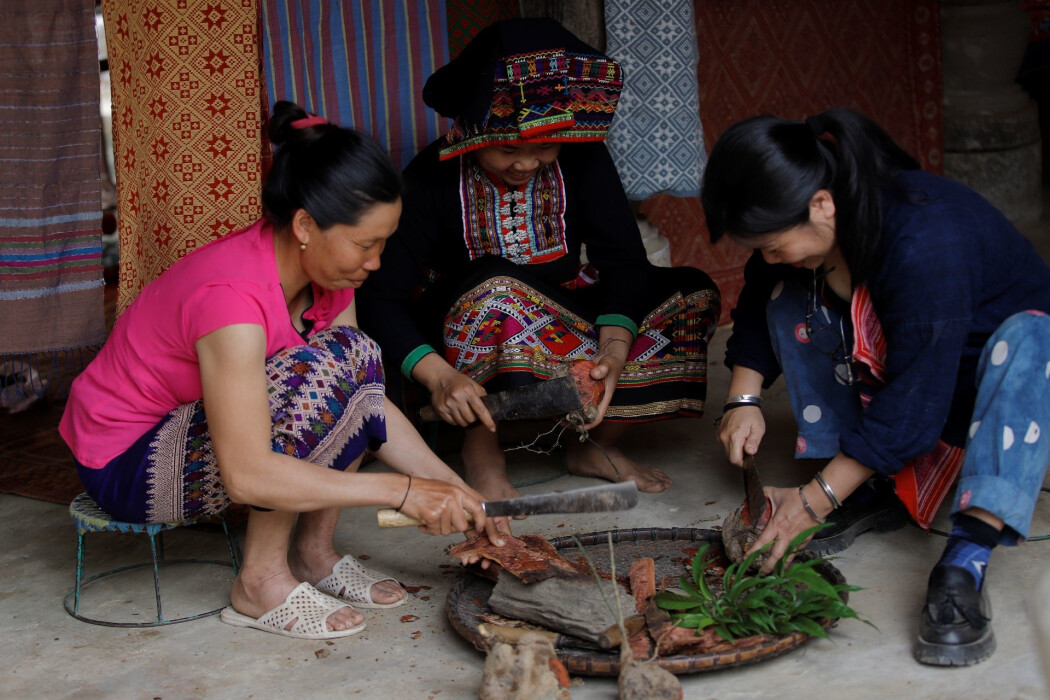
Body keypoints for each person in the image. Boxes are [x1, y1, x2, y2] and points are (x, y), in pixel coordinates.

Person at [59, 101, 506, 641]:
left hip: (203, 433)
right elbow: (246, 474)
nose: (377, 262)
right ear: (304, 225)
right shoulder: (230, 299)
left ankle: (314, 555)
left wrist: (459, 493)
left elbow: (364, 401)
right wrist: (402, 492)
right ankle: (259, 581)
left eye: (384, 243)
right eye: (365, 244)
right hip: (129, 460)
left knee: (355, 356)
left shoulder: (332, 276)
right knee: (310, 379)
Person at [701, 107, 1050, 666]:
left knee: (1035, 341)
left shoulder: (926, 242)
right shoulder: (830, 211)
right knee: (791, 285)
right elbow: (761, 288)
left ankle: (966, 559)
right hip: (915, 375)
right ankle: (869, 483)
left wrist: (811, 502)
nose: (766, 257)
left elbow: (916, 406)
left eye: (772, 243)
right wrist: (742, 399)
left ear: (821, 204)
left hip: (989, 391)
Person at [357, 18, 721, 502]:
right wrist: (438, 377)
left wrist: (613, 352)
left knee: (692, 295)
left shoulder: (584, 159)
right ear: (472, 133)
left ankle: (595, 442)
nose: (526, 164)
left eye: (545, 146)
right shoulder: (432, 176)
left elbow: (623, 260)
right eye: (507, 148)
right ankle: (482, 454)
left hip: (560, 320)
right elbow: (379, 298)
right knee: (496, 289)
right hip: (462, 341)